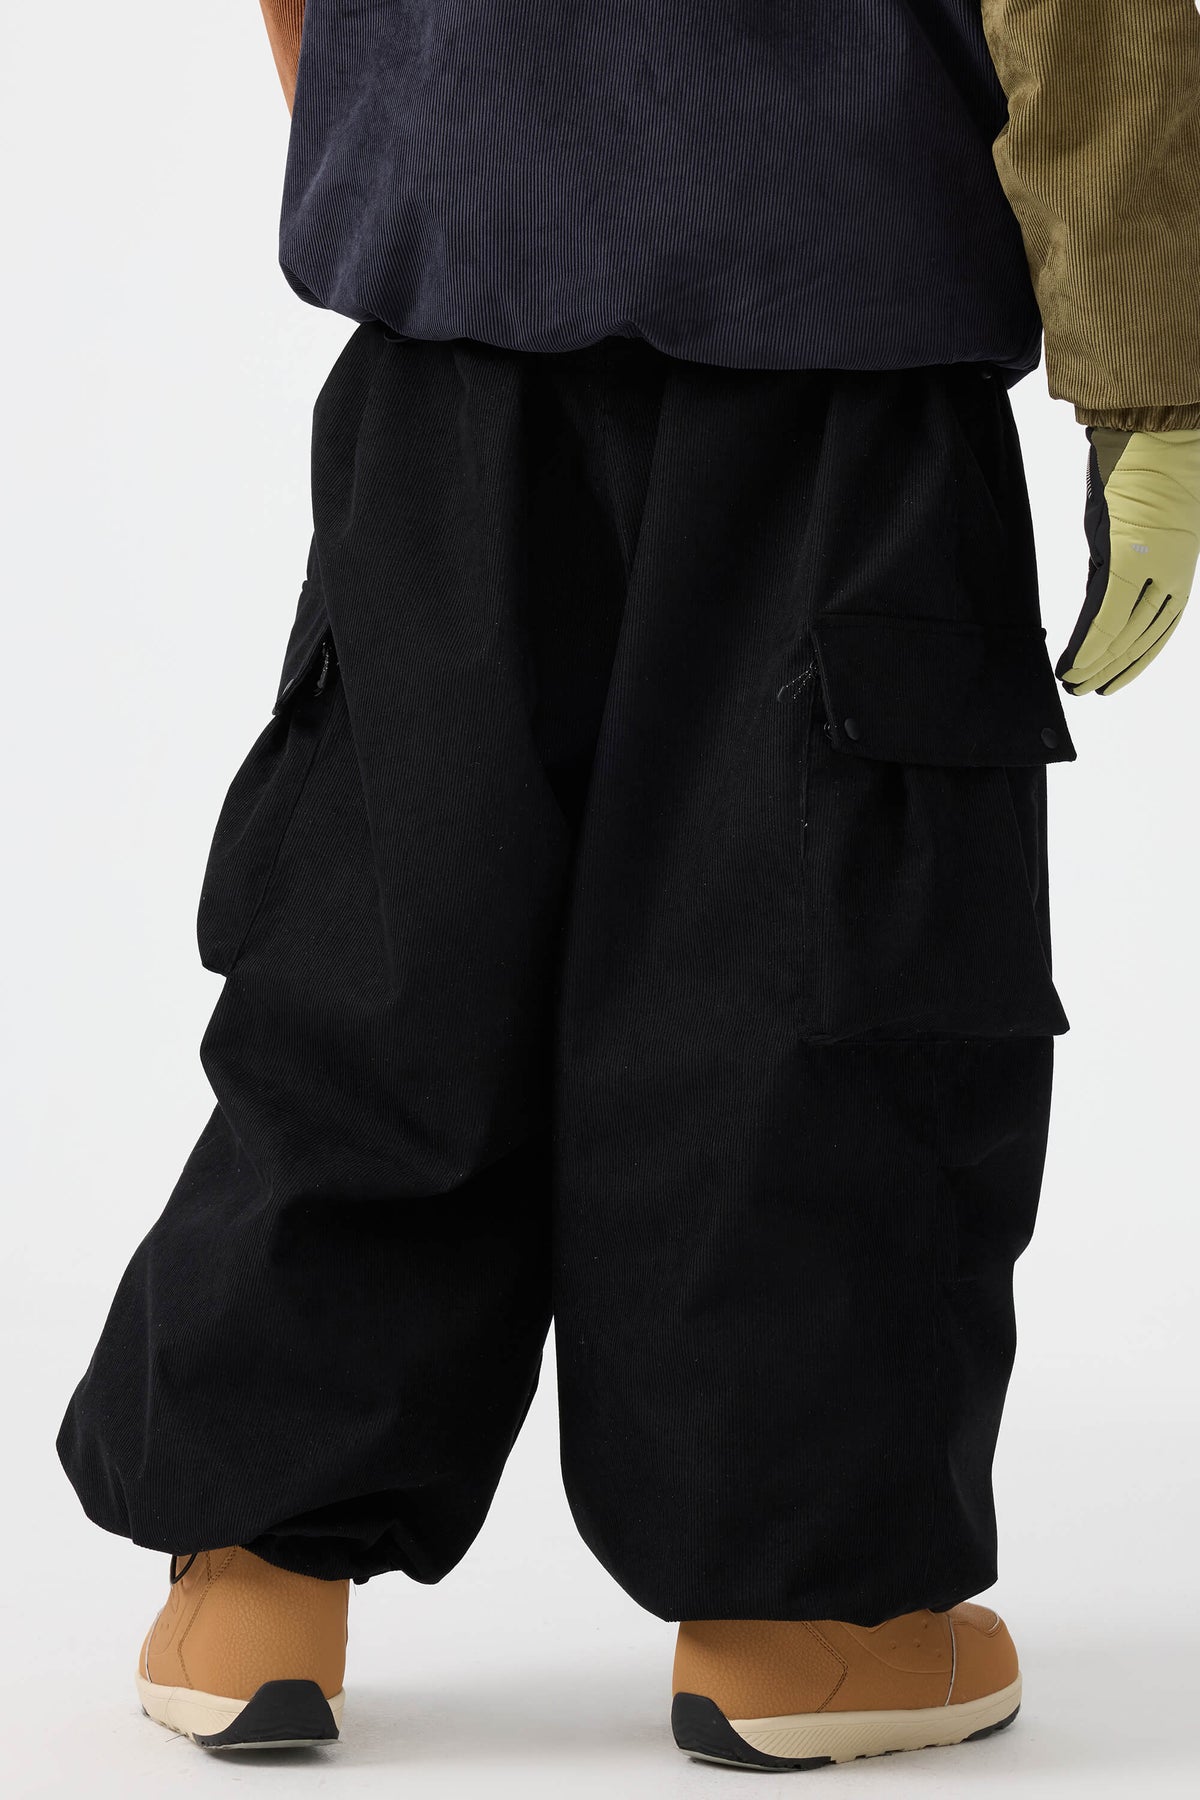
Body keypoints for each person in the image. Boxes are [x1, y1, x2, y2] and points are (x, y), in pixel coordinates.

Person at [57, 0, 1200, 1771]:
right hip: (837, 311)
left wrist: (398, 129)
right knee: (805, 965)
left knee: (387, 934)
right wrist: (1153, 370)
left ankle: (252, 1568)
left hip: (457, 292)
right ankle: (801, 1619)